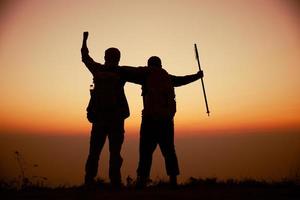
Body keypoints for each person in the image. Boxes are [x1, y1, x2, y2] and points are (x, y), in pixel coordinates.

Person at [120, 57, 203, 188]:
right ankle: (173, 180)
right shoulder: (168, 77)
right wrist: (197, 76)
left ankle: (142, 181)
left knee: (145, 151)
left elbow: (129, 72)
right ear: (161, 65)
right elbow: (183, 80)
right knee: (169, 150)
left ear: (149, 65)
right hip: (166, 121)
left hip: (149, 120)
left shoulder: (145, 75)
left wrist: (115, 68)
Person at [81, 32, 129, 187]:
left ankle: (89, 180)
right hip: (116, 118)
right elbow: (142, 74)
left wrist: (84, 40)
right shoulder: (122, 72)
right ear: (118, 58)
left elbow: (85, 57)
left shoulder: (97, 70)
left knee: (94, 151)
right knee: (115, 152)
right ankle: (116, 181)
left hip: (99, 117)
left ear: (105, 57)